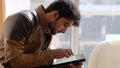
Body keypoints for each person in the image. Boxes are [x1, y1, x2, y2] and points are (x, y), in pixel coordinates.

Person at [0, 0, 82, 68]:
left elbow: (36, 62)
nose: (64, 31)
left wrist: (66, 66)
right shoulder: (23, 20)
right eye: (65, 25)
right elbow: (14, 62)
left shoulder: (47, 30)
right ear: (55, 15)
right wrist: (52, 54)